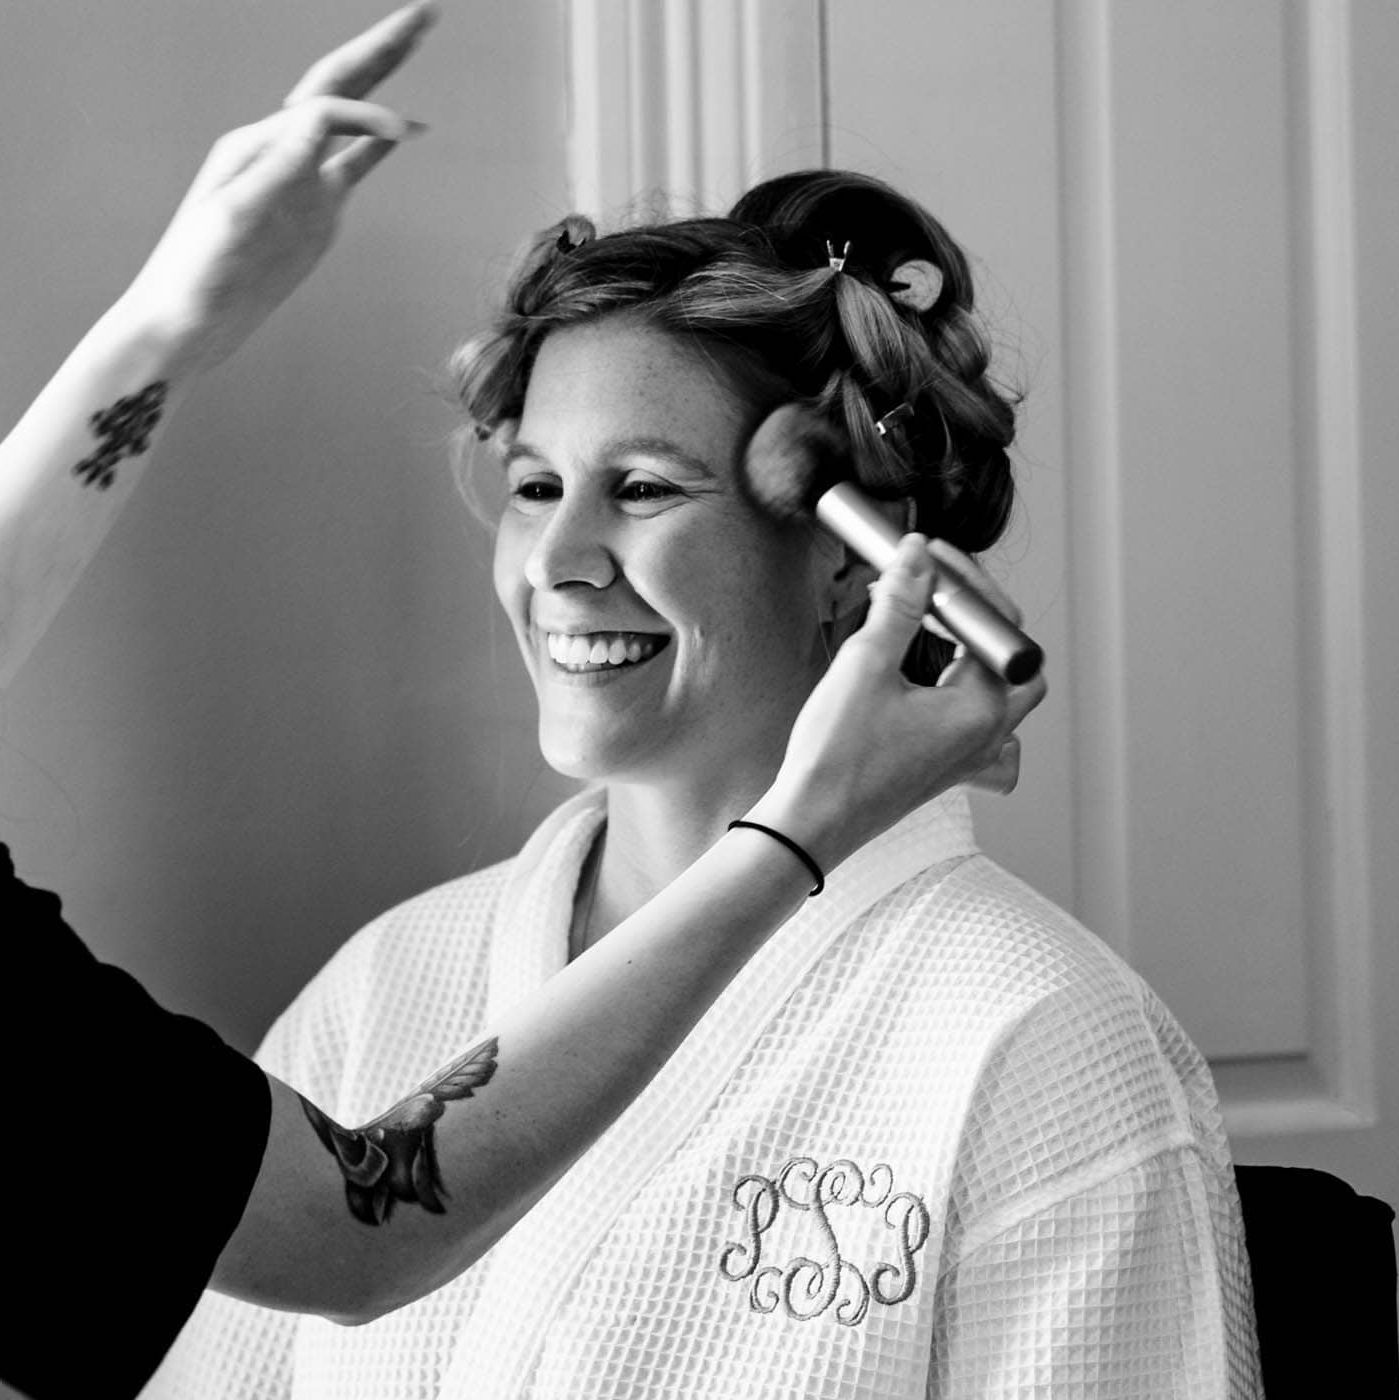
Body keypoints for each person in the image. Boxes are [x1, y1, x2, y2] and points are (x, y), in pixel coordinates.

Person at [0, 4, 1041, 1398]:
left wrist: (172, 323)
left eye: (649, 487)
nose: (567, 561)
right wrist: (798, 833)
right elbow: (358, 1221)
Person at [148, 171, 1258, 1399]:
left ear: (851, 560)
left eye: (643, 488)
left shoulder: (1035, 1036)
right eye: (534, 486)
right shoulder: (389, 984)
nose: (560, 563)